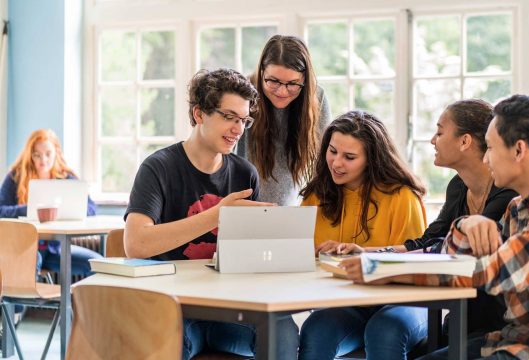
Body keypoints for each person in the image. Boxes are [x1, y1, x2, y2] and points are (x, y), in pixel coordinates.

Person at [342, 95, 529, 359]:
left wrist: (384, 270)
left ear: (518, 150)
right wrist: (466, 223)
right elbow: (454, 255)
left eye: (491, 148)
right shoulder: (518, 209)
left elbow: (493, 272)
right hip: (513, 343)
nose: (485, 159)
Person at [123, 68, 299, 360]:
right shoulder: (158, 168)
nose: (238, 129)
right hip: (173, 309)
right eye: (228, 117)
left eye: (244, 120)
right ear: (199, 114)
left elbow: (250, 259)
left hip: (230, 312)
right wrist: (217, 215)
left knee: (283, 330)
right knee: (169, 340)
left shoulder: (245, 174)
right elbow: (136, 244)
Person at [297, 110, 428, 360]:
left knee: (385, 330)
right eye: (332, 151)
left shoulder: (402, 197)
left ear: (372, 160)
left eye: (349, 157)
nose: (336, 163)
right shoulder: (316, 196)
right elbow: (305, 261)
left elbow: (417, 263)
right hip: (348, 302)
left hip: (404, 301)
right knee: (316, 329)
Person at [236, 34, 331, 205]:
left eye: (293, 84)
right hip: (242, 205)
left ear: (305, 80)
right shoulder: (243, 93)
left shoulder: (317, 98)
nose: (282, 91)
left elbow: (323, 164)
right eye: (273, 81)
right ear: (261, 72)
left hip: (290, 208)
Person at [0, 129, 102, 277]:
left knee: (97, 264)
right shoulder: (15, 177)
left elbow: (91, 208)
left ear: (56, 153)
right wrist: (30, 211)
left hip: (55, 249)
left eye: (48, 154)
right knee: (31, 262)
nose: (43, 160)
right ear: (30, 156)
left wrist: (65, 211)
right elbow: (1, 210)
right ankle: (18, 299)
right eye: (37, 155)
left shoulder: (66, 177)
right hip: (25, 247)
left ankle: (84, 301)